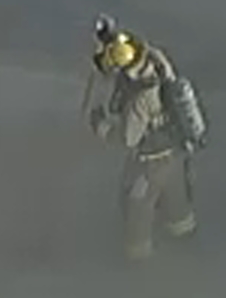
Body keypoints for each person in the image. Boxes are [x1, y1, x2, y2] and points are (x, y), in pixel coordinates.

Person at [83, 16, 197, 261]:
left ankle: (139, 267)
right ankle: (187, 247)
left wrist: (100, 126)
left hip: (149, 165)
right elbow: (126, 49)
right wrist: (110, 39)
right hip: (176, 155)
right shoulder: (157, 61)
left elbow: (128, 139)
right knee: (178, 207)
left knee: (138, 211)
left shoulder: (139, 100)